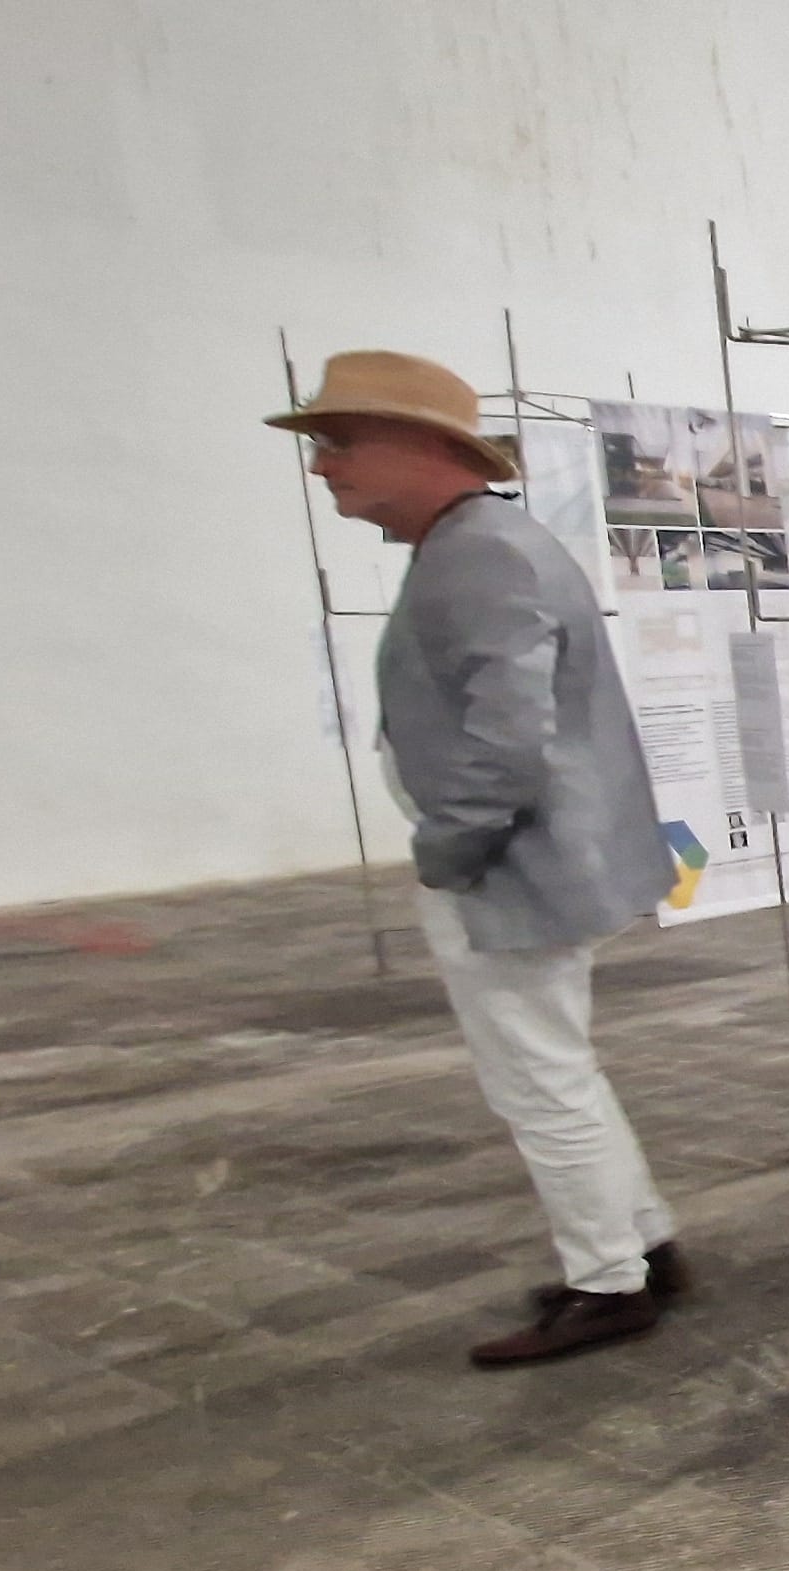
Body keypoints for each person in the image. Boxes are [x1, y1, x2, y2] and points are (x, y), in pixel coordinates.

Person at [267, 351, 687, 1370]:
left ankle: (608, 1282)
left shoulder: (480, 553)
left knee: (537, 1080)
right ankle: (638, 1246)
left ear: (422, 445)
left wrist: (446, 849)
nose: (323, 467)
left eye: (340, 442)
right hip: (526, 859)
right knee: (555, 1067)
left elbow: (507, 739)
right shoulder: (482, 542)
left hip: (509, 867)